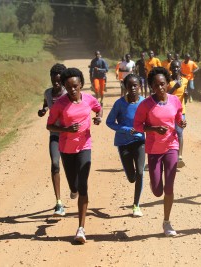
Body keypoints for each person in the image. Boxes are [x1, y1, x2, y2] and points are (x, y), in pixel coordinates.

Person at [47, 67, 103, 244]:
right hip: (66, 148)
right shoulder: (60, 104)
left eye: (75, 86)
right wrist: (65, 129)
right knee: (74, 185)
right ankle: (73, 189)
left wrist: (98, 118)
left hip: (85, 146)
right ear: (65, 86)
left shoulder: (88, 98)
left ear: (81, 85)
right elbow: (50, 126)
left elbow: (98, 108)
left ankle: (81, 228)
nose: (72, 90)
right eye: (69, 86)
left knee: (83, 184)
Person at [134, 67, 186, 237]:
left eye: (163, 84)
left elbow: (178, 116)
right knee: (158, 190)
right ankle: (154, 182)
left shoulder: (174, 100)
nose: (160, 88)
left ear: (168, 83)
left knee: (169, 187)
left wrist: (181, 122)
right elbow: (138, 126)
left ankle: (167, 222)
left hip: (171, 146)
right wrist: (153, 128)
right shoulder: (146, 105)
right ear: (151, 86)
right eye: (156, 85)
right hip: (154, 150)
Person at [106, 74, 146, 217]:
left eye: (135, 85)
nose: (133, 88)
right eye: (130, 86)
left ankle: (136, 205)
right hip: (123, 143)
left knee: (140, 172)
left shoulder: (144, 103)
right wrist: (126, 129)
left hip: (140, 141)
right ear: (125, 87)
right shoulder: (119, 104)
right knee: (131, 177)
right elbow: (109, 122)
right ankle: (133, 178)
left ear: (140, 86)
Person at [38, 63, 69, 217]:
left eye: (59, 81)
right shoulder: (48, 93)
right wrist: (43, 110)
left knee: (71, 168)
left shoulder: (68, 94)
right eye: (53, 81)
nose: (56, 84)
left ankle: (75, 188)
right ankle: (58, 202)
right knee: (55, 164)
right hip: (55, 135)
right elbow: (46, 103)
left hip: (70, 136)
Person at [168, 60, 188, 168]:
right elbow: (164, 95)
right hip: (168, 111)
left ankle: (179, 157)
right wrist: (174, 87)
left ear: (180, 68)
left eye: (177, 67)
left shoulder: (185, 81)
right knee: (170, 133)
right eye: (173, 67)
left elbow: (185, 96)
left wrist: (187, 95)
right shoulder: (167, 81)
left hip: (181, 111)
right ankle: (169, 155)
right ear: (170, 69)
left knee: (180, 132)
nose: (175, 69)